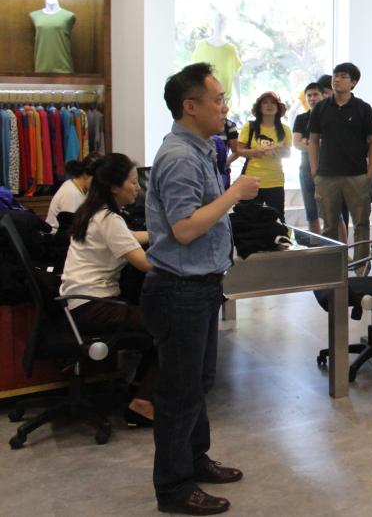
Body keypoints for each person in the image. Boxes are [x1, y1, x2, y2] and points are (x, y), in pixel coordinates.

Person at [142, 62, 260, 515]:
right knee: (180, 393)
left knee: (198, 383)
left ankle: (195, 459)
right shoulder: (180, 158)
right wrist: (235, 194)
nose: (225, 107)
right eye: (218, 100)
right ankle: (174, 488)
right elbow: (185, 228)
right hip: (180, 290)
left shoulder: (202, 149)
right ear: (190, 107)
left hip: (200, 287)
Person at [59, 153, 155, 426]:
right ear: (114, 187)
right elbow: (144, 263)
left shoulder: (94, 211)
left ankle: (137, 389)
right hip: (94, 306)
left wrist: (160, 233)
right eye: (133, 182)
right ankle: (142, 402)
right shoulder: (109, 219)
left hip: (77, 303)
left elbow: (126, 237)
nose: (137, 188)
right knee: (171, 324)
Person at [308, 62, 372, 271]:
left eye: (342, 76)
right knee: (329, 225)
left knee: (361, 224)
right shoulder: (321, 108)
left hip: (357, 175)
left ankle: (361, 267)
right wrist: (314, 170)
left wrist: (370, 172)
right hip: (327, 176)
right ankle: (330, 268)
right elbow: (313, 140)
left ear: (353, 82)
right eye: (335, 75)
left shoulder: (363, 108)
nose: (336, 79)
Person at [236, 91, 291, 219]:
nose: (269, 105)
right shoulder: (249, 127)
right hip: (251, 180)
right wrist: (255, 151)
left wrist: (278, 149)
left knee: (277, 218)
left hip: (275, 180)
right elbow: (239, 150)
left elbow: (288, 153)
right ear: (259, 107)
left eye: (273, 103)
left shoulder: (285, 129)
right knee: (248, 219)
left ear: (278, 108)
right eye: (265, 102)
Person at [292, 82, 325, 234]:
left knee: (333, 212)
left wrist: (308, 142)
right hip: (306, 169)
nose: (312, 98)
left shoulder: (331, 117)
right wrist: (317, 144)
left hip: (328, 169)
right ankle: (316, 243)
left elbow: (332, 143)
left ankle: (340, 246)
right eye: (309, 95)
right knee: (311, 212)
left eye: (316, 94)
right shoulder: (301, 118)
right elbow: (296, 143)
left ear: (323, 96)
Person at [46, 152, 101, 228]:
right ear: (85, 175)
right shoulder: (71, 193)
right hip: (59, 234)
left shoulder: (80, 188)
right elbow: (72, 227)